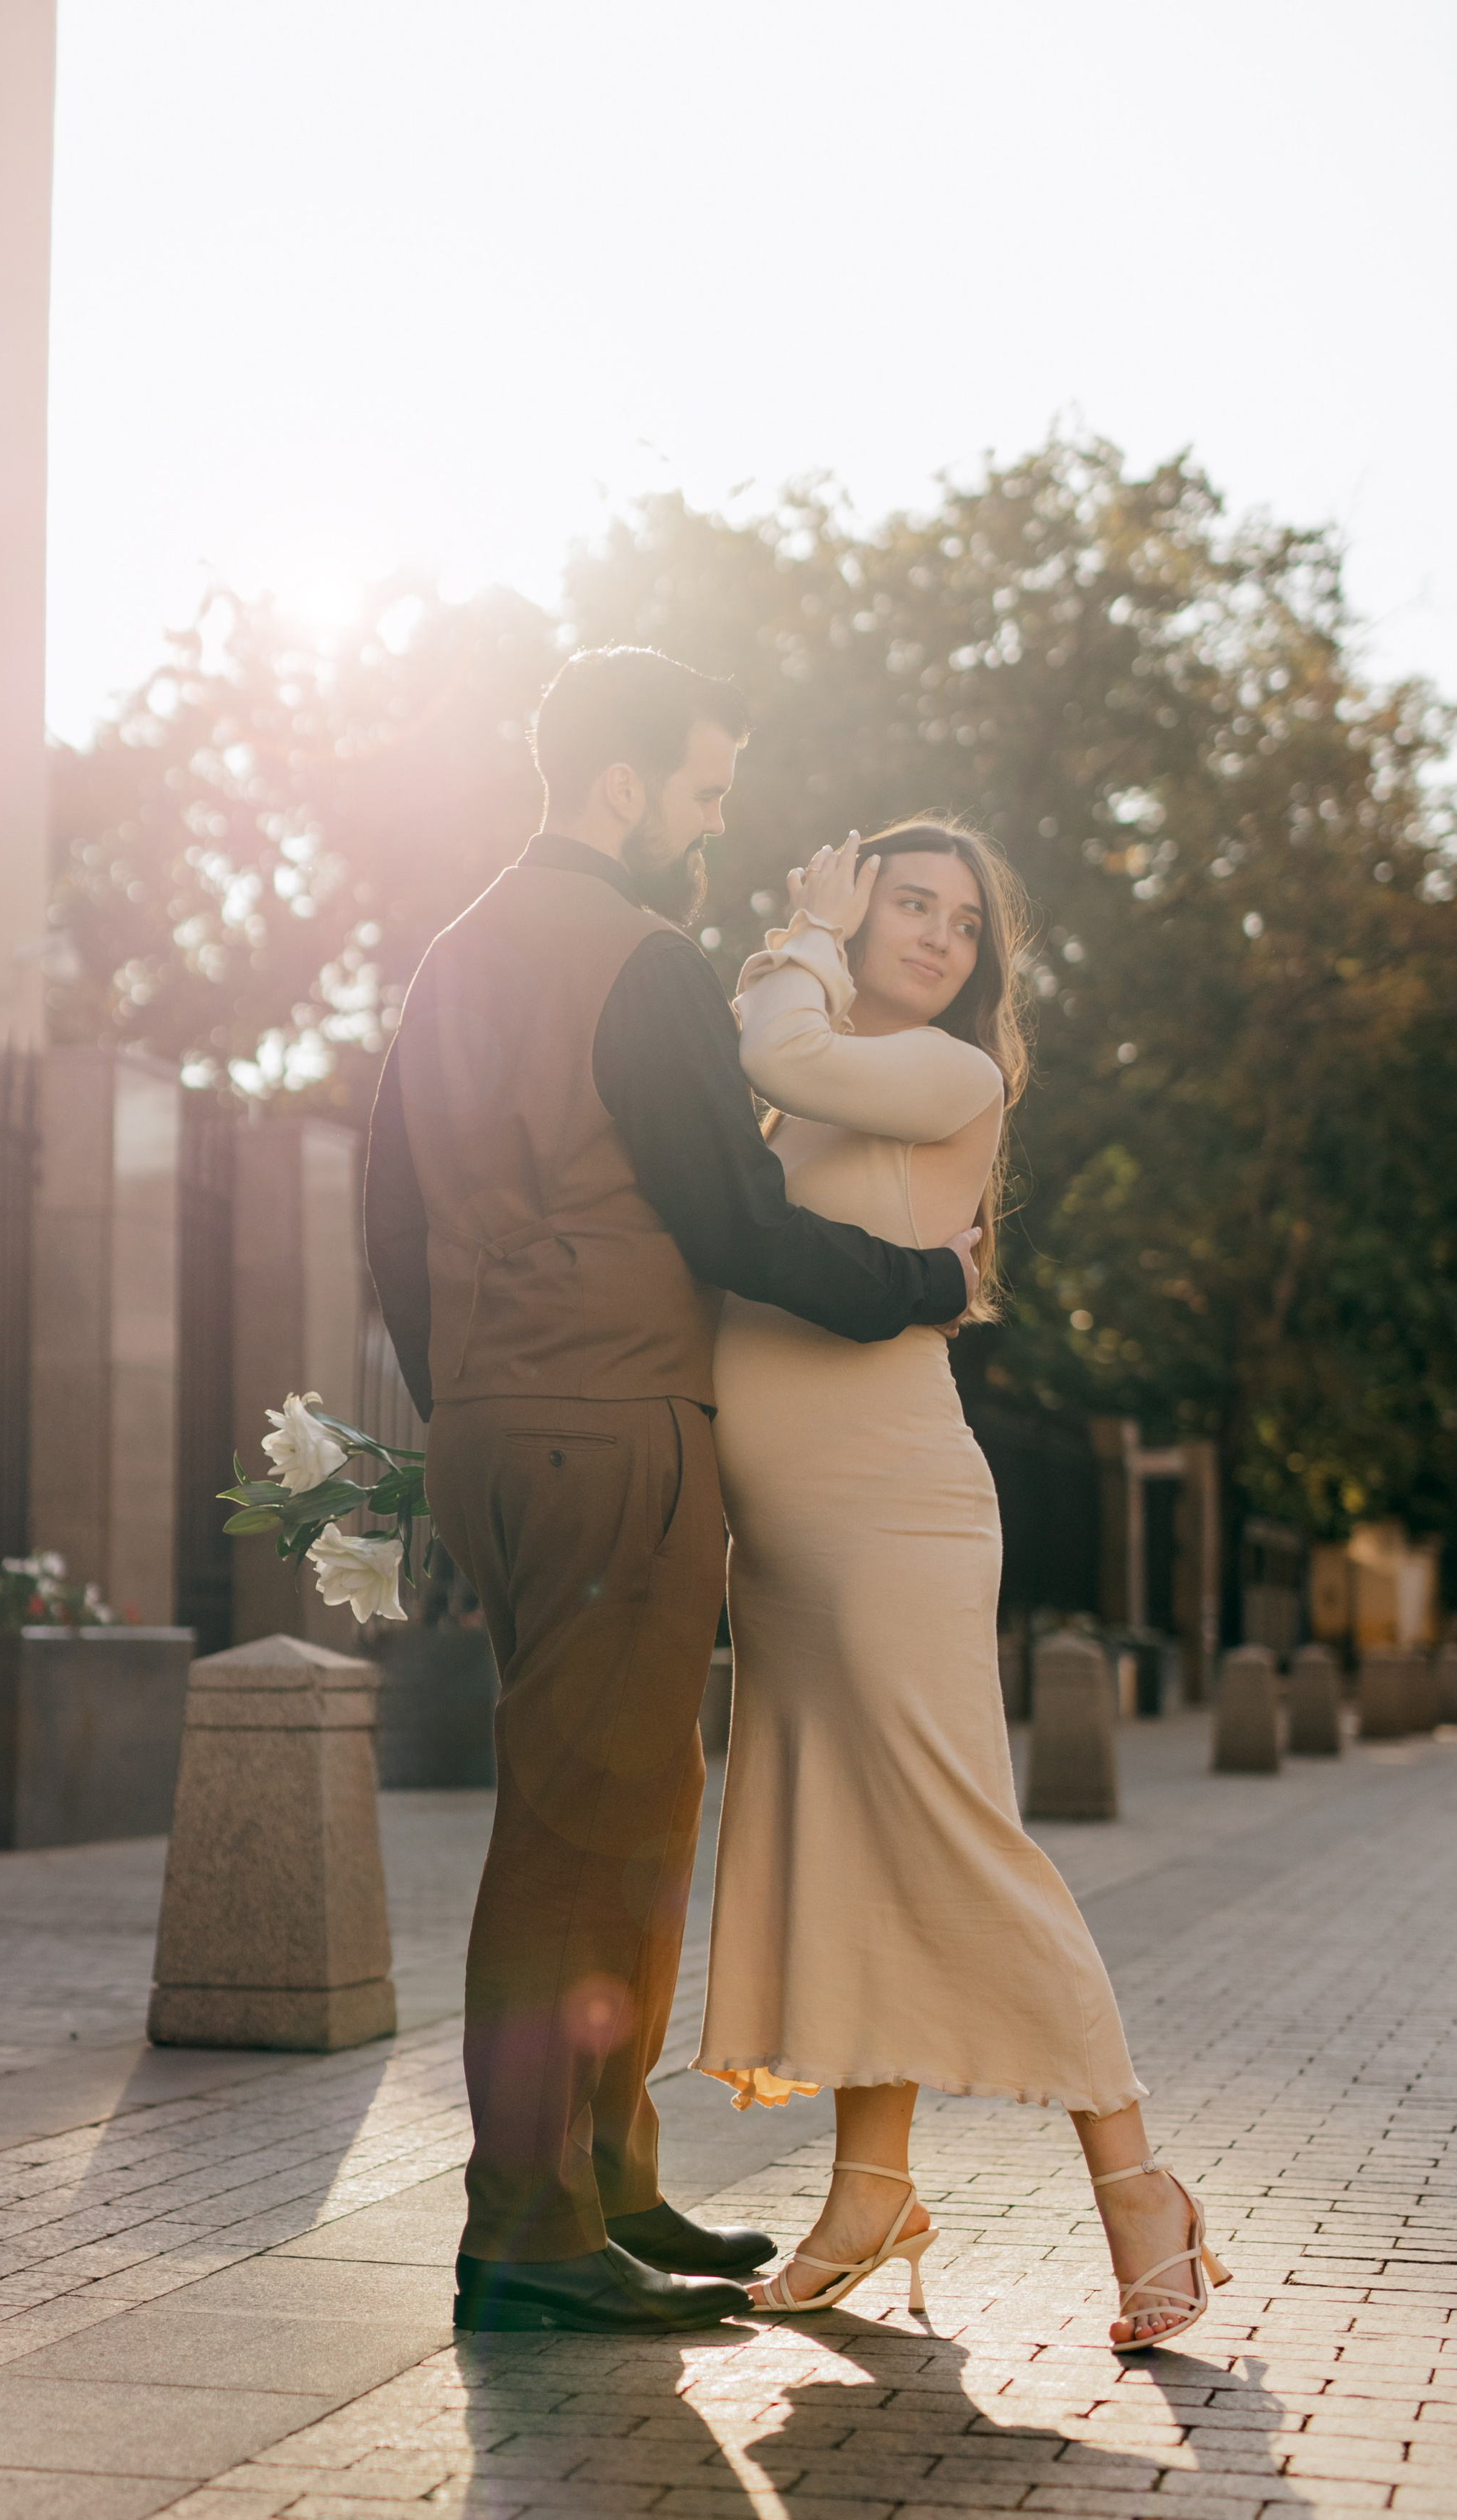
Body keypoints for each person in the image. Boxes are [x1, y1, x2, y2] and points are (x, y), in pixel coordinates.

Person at [364, 652, 980, 2336]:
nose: (712, 825)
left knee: (628, 1801)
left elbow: (381, 1211)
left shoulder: (452, 955)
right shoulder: (639, 962)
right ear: (626, 789)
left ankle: (607, 2177)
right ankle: (525, 2225)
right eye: (705, 792)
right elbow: (732, 1220)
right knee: (580, 1822)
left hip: (504, 1428)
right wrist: (921, 1279)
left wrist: (470, 1402)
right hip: (614, 1428)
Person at [694, 819, 1231, 2349]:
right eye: (905, 904)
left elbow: (780, 1052)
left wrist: (804, 925)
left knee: (953, 1840)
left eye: (959, 920)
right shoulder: (818, 1077)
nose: (933, 936)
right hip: (786, 1540)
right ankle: (868, 2193)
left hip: (887, 1514)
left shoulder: (947, 1072)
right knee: (853, 1849)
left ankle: (1137, 2187)